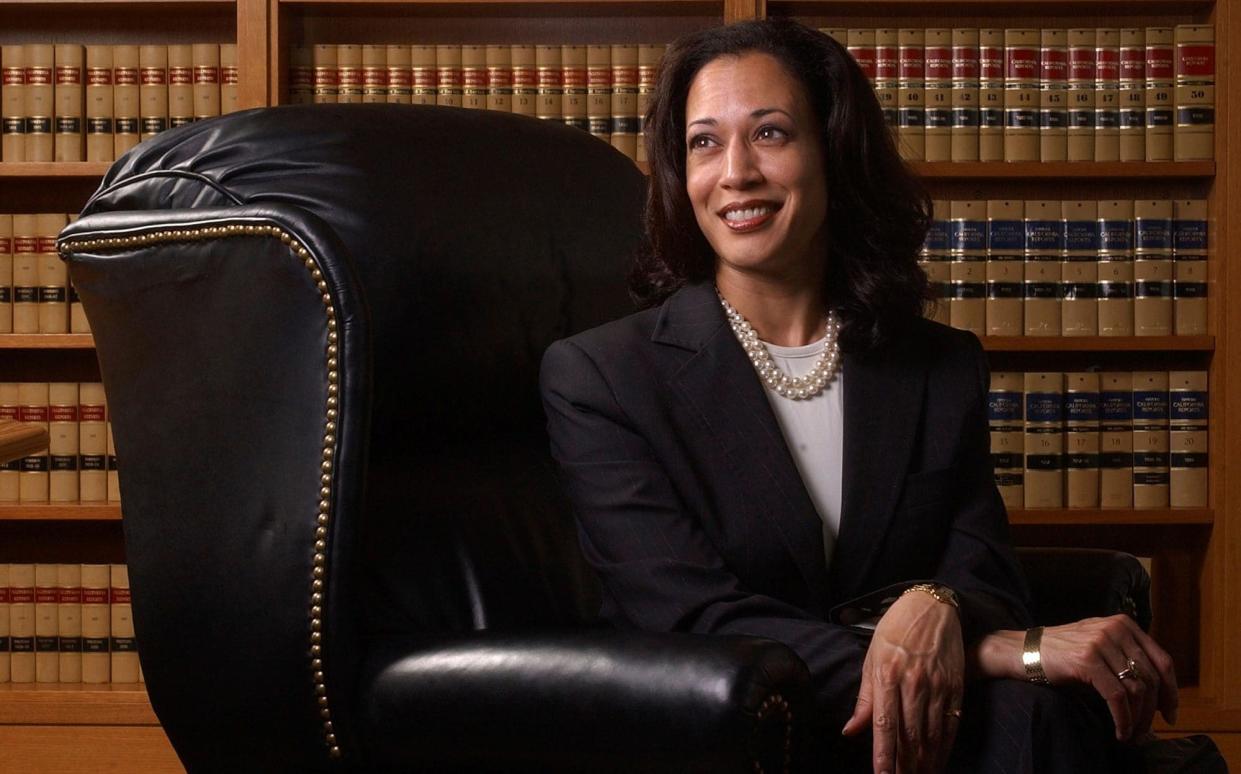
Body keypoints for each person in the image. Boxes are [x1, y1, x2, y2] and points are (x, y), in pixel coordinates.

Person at [539, 19, 1177, 772]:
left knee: (1036, 714)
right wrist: (1003, 652)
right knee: (1024, 703)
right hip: (725, 732)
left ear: (833, 155)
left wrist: (939, 607)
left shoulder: (938, 366)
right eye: (704, 143)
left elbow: (981, 568)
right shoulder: (601, 376)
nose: (735, 172)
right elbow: (685, 612)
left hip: (923, 734)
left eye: (770, 133)